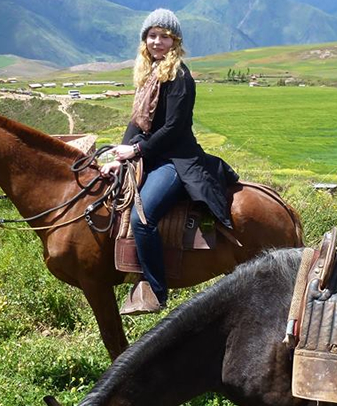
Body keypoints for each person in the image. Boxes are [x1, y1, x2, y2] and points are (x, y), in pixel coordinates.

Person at [101, 8, 239, 314]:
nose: (157, 41)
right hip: (152, 155)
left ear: (175, 41)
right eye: (152, 35)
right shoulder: (148, 74)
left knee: (143, 217)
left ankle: (156, 290)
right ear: (144, 40)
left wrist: (136, 152)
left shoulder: (179, 75)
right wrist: (119, 157)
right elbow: (137, 123)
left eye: (164, 36)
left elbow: (173, 128)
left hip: (176, 160)